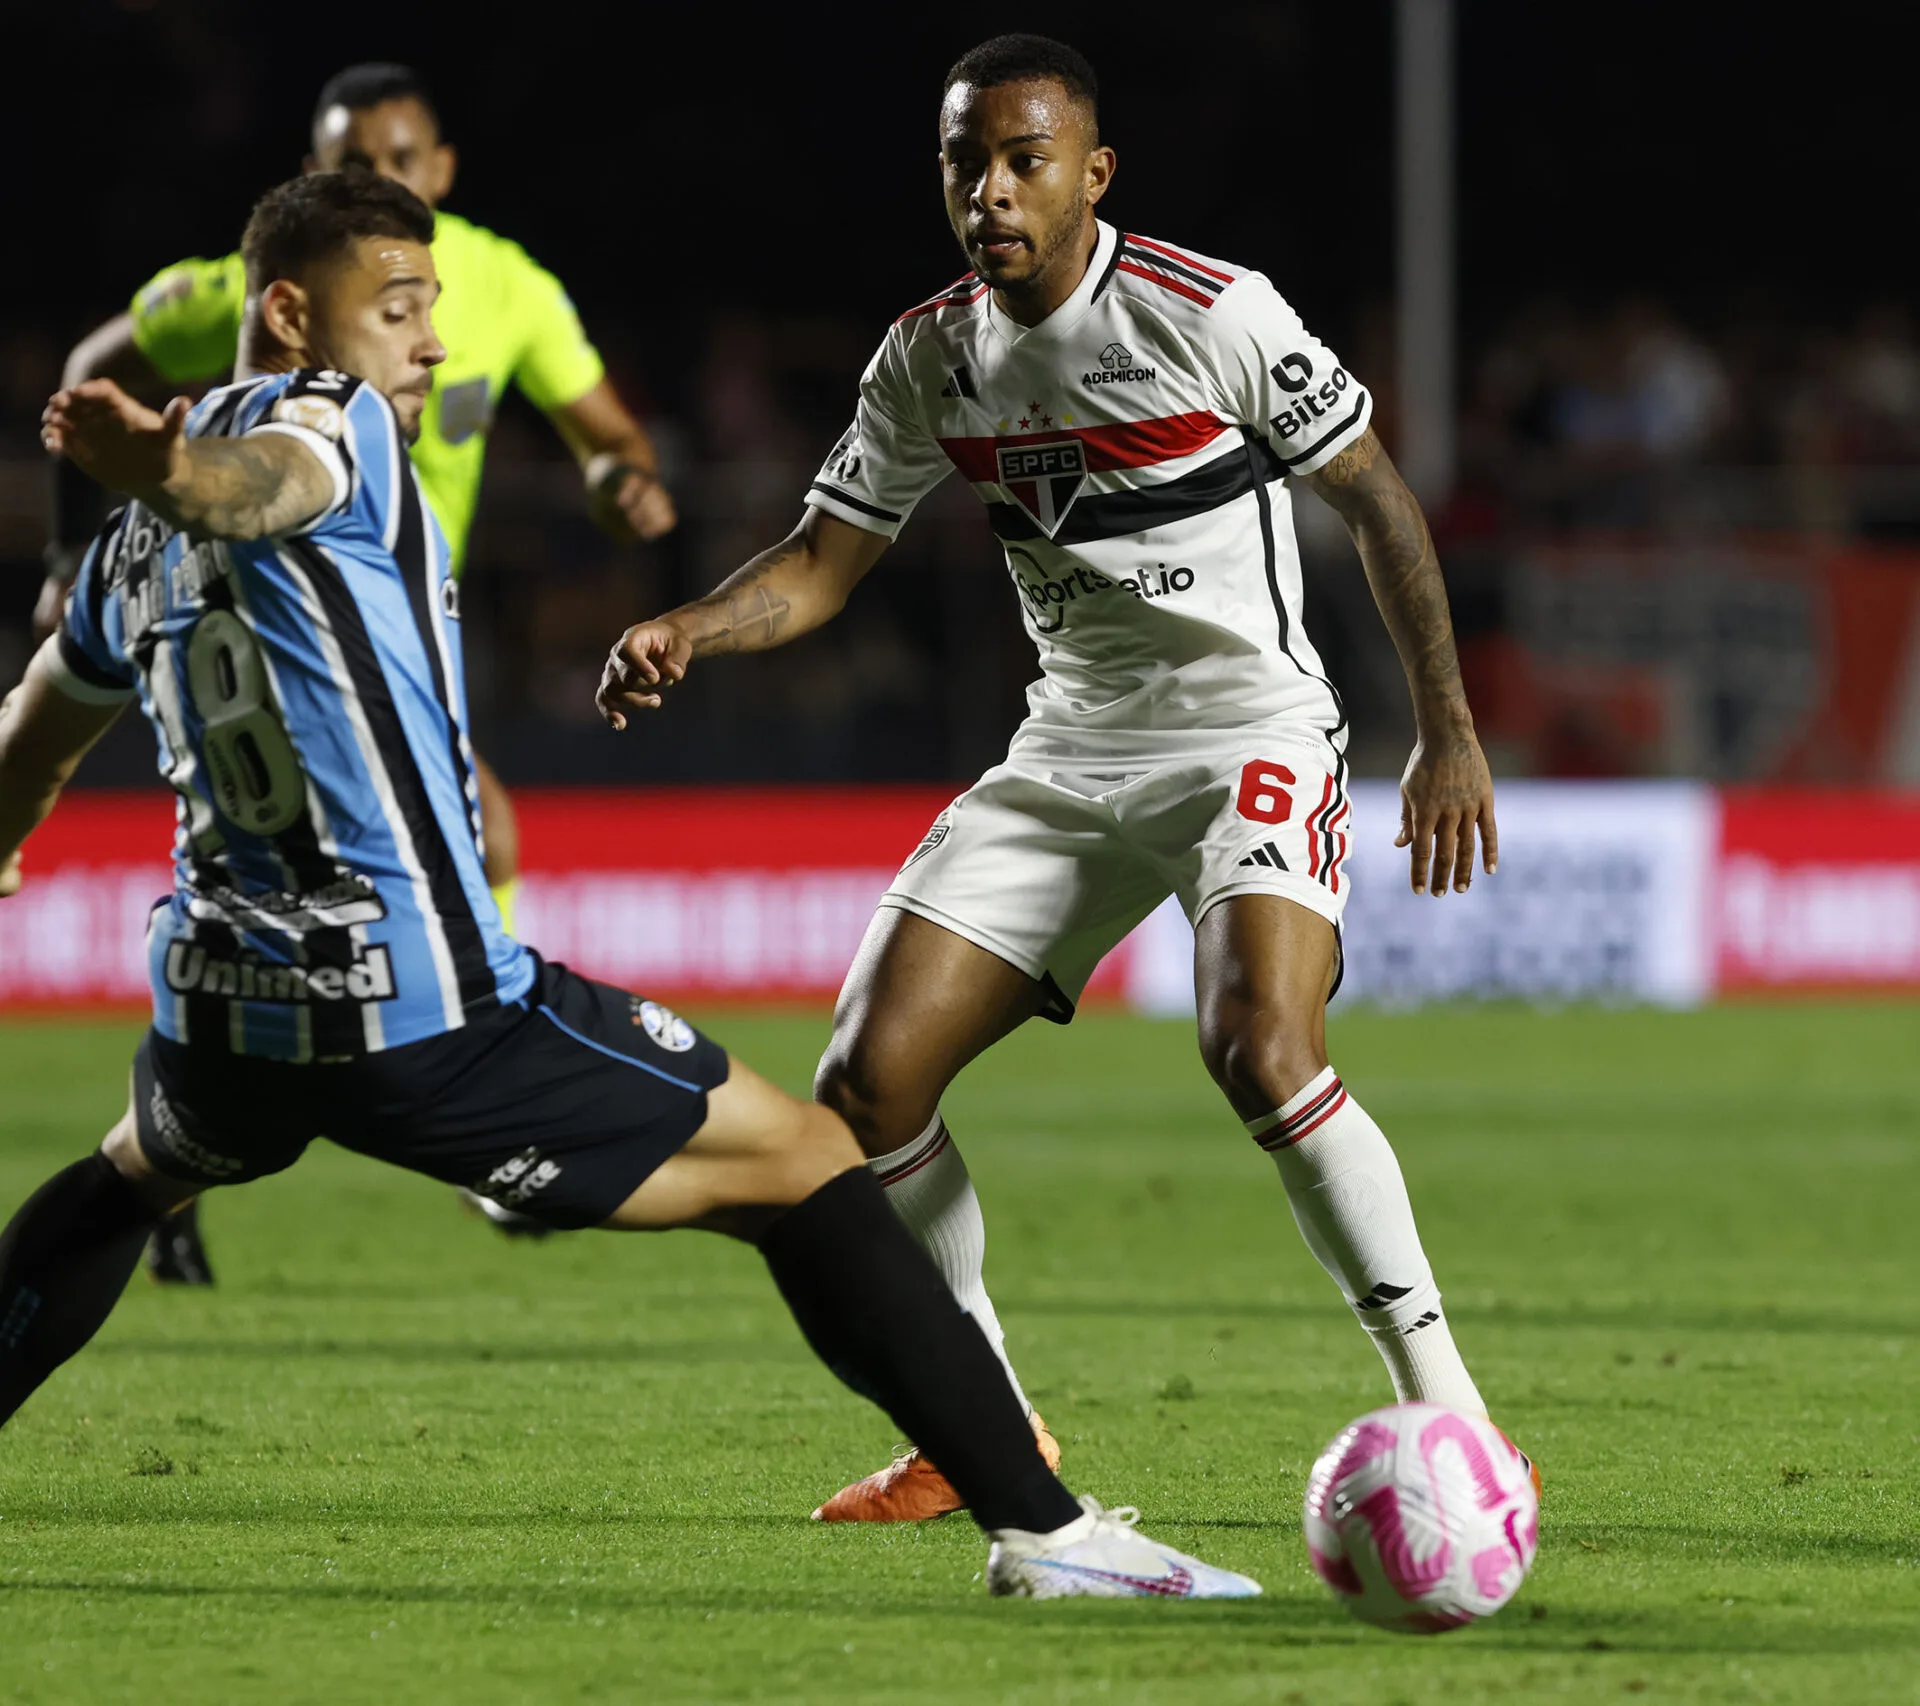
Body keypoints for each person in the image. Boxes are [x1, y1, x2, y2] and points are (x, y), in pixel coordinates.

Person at [1, 170, 1257, 1602]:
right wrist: (178, 470)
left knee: (134, 1173)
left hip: (221, 1008)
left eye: (435, 315)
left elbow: (28, 742)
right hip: (414, 1003)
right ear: (291, 316)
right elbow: (266, 480)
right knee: (810, 1166)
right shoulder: (325, 422)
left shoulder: (117, 554)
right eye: (399, 312)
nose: (430, 349)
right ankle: (1045, 1531)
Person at [598, 34, 1536, 1523]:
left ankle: (1457, 1420)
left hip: (1250, 733)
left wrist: (1449, 726)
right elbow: (830, 559)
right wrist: (692, 626)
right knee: (867, 1080)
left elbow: (1375, 496)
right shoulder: (928, 355)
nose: (989, 192)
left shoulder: (1209, 311)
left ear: (1093, 174)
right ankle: (993, 1424)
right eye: (964, 161)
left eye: (1022, 159)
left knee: (1260, 1048)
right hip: (1072, 748)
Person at [42, 62, 675, 1278]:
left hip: (407, 627)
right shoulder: (273, 283)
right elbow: (99, 358)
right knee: (461, 831)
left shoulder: (505, 289)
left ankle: (175, 1147)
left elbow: (608, 436)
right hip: (288, 618)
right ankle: (482, 1126)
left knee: (303, 865)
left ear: (440, 169)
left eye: (399, 157)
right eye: (351, 156)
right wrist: (84, 544)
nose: (380, 178)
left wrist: (617, 481)